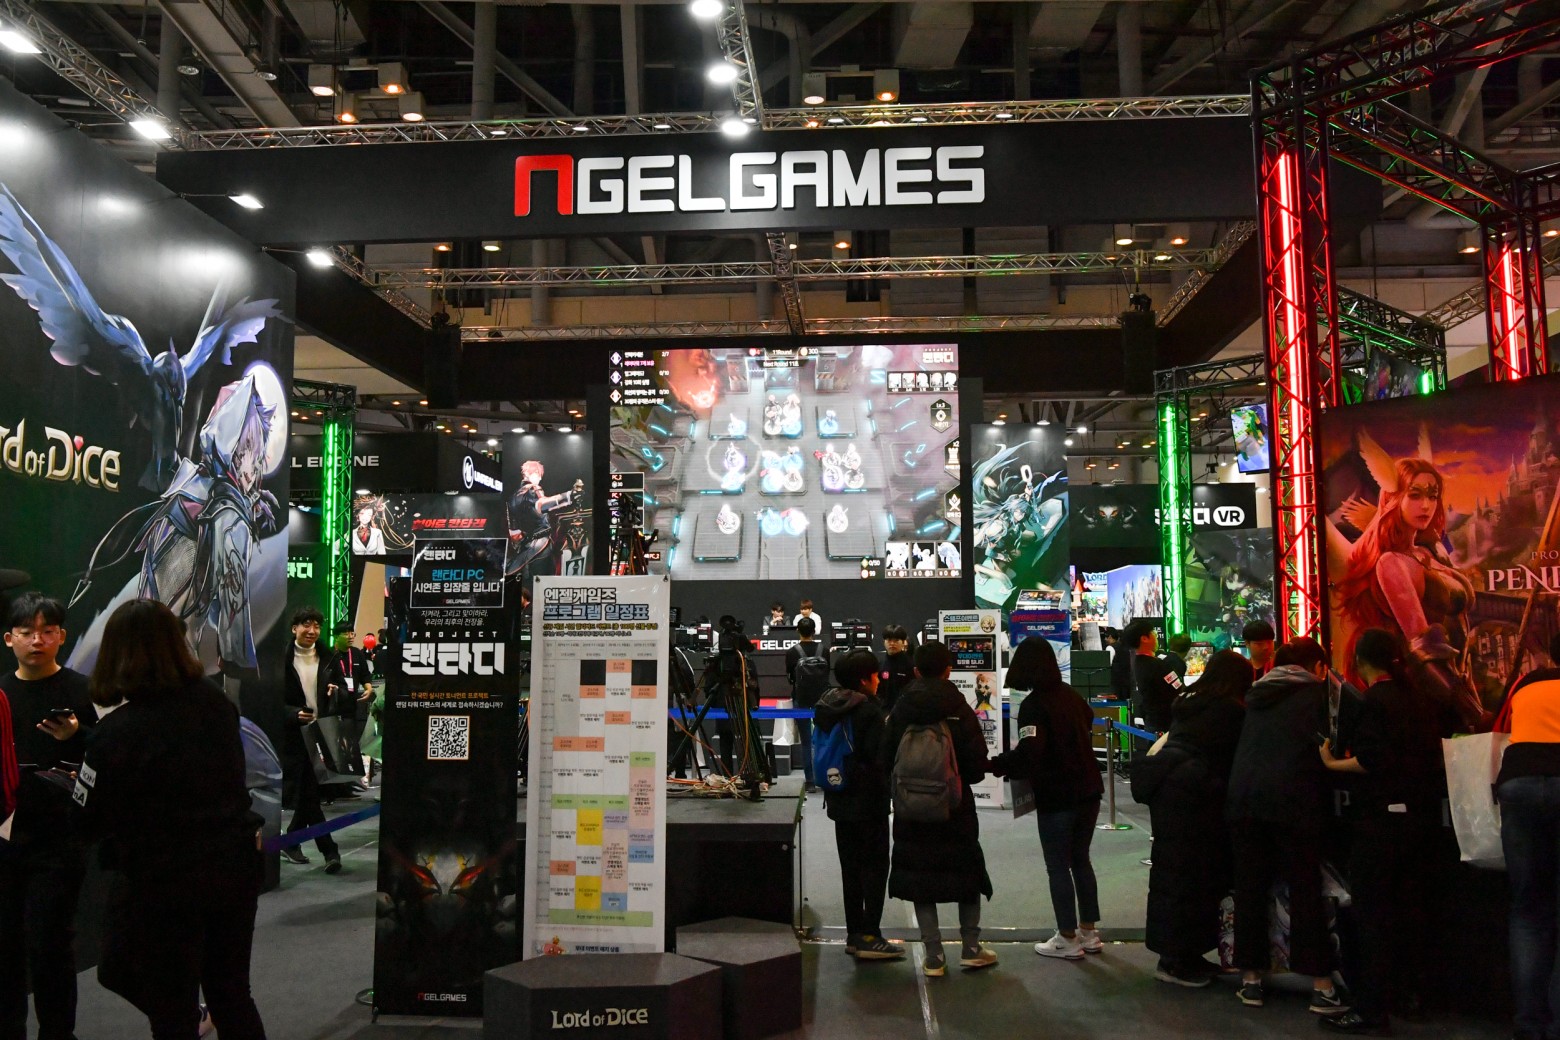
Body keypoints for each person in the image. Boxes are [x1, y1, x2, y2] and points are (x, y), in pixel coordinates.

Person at [74, 598, 266, 1040]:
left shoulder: (117, 731)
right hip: (232, 866)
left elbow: (87, 821)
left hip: (162, 882)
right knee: (231, 993)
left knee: (170, 1005)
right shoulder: (216, 705)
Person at [1318, 628, 1455, 1035]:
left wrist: (1330, 762)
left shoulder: (1373, 702)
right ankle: (1411, 995)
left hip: (1380, 821)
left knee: (1373, 917)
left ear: (1359, 661)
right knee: (1411, 910)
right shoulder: (1420, 698)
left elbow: (1370, 760)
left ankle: (1372, 1007)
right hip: (1421, 820)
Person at [1225, 637, 1347, 1015]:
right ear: (1318, 667)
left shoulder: (1256, 696)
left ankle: (1250, 980)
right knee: (1305, 888)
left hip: (1244, 800)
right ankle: (1322, 985)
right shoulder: (1318, 695)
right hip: (1295, 802)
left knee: (1250, 888)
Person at [0, 592, 99, 1040]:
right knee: (6, 947)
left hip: (59, 838)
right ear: (10, 638)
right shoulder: (2, 692)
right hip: (5, 837)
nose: (37, 641)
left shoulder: (82, 690)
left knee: (50, 946)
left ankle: (58, 1034)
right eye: (27, 632)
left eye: (47, 631)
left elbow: (107, 756)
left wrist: (77, 735)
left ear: (62, 636)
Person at [1332, 451, 1484, 731]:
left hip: (1459, 686)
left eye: (1432, 496)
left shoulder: (1429, 553)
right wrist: (1467, 709)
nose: (1426, 505)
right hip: (1431, 700)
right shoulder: (1392, 563)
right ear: (1394, 498)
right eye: (1414, 495)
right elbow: (1424, 651)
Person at [1134, 650, 1253, 987]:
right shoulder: (1229, 710)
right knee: (1195, 881)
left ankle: (1179, 955)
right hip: (1199, 799)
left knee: (1174, 876)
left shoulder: (1189, 701)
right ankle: (1177, 962)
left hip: (1171, 793)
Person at [884, 640, 996, 977]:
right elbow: (976, 765)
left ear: (916, 671)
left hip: (910, 809)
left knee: (920, 878)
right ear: (949, 670)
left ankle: (933, 954)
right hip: (955, 806)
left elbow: (884, 756)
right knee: (966, 874)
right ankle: (971, 948)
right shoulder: (958, 707)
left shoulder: (902, 707)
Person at [989, 637, 1103, 961]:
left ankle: (1067, 937)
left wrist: (997, 765)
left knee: (1058, 866)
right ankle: (1089, 932)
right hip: (1089, 790)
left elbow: (1031, 751)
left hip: (1058, 794)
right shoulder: (1072, 696)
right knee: (1081, 860)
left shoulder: (1034, 705)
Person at [812, 648, 900, 961]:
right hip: (869, 803)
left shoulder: (828, 705)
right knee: (874, 869)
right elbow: (879, 758)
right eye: (875, 675)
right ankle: (870, 936)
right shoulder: (869, 710)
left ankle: (854, 934)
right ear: (864, 679)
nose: (879, 679)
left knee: (850, 869)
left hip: (839, 799)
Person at [1493, 631, 1560, 1040]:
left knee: (1528, 911)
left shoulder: (1528, 683)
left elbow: (1497, 730)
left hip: (1518, 784)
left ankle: (1529, 1024)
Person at [279, 607, 343, 873]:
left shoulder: (329, 658)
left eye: (317, 626)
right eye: (307, 624)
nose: (312, 630)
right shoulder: (281, 659)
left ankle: (292, 840)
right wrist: (292, 714)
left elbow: (344, 692)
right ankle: (329, 851)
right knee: (310, 794)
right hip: (295, 737)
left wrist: (337, 692)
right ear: (294, 628)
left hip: (322, 733)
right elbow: (270, 698)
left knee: (309, 795)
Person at [786, 618, 829, 791]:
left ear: (798, 630)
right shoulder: (824, 650)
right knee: (823, 740)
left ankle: (810, 781)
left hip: (801, 698)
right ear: (814, 631)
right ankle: (824, 777)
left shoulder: (792, 652)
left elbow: (790, 677)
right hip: (823, 699)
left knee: (806, 741)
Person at [331, 622, 373, 777]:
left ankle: (352, 776)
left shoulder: (357, 654)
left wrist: (368, 688)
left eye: (352, 633)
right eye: (346, 633)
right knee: (335, 742)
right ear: (336, 636)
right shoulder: (330, 655)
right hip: (333, 706)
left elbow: (365, 675)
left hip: (352, 704)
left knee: (351, 740)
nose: (350, 637)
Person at [1126, 620, 1182, 735]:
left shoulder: (1137, 663)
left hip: (1152, 721)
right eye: (1154, 634)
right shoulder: (1157, 665)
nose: (1156, 638)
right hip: (1167, 724)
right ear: (1144, 638)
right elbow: (1178, 690)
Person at [877, 625, 914, 715]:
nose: (892, 643)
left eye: (896, 640)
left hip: (905, 712)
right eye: (889, 640)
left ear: (903, 642)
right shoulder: (880, 664)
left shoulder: (911, 664)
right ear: (884, 642)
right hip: (883, 711)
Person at [1106, 628, 1133, 702]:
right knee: (1125, 704)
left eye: (1106, 637)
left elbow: (1108, 664)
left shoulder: (1110, 648)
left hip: (1115, 683)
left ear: (1110, 637)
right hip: (1127, 682)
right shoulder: (1126, 648)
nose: (1105, 639)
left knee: (1115, 704)